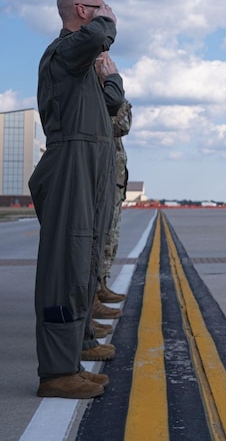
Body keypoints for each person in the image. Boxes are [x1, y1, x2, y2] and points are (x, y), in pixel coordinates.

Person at [28, 0, 124, 399]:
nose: (108, 11)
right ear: (82, 12)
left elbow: (112, 108)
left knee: (84, 263)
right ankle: (55, 373)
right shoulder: (64, 51)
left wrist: (113, 77)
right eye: (100, 5)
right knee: (65, 266)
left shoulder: (82, 66)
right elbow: (102, 34)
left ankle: (74, 356)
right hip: (71, 167)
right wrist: (107, 22)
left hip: (92, 168)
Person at [97, 72, 132, 305]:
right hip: (105, 180)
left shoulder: (106, 96)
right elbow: (122, 124)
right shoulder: (99, 98)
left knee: (111, 238)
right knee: (103, 238)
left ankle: (102, 286)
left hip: (115, 181)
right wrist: (115, 87)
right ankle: (94, 294)